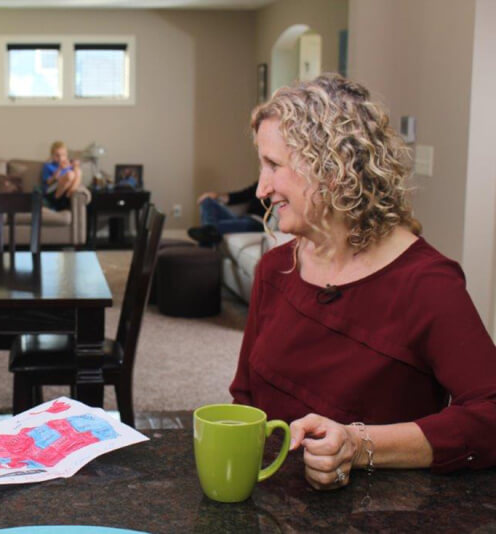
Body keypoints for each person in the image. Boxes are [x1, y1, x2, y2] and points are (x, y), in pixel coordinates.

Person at [229, 74, 496, 491]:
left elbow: (490, 414)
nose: (262, 188)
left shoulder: (426, 283)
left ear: (331, 168)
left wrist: (358, 444)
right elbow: (245, 399)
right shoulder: (276, 269)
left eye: (274, 165)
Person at [187, 183, 265, 246]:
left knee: (211, 228)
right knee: (207, 201)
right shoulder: (259, 184)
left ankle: (209, 230)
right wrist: (216, 195)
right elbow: (239, 196)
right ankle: (209, 229)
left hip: (257, 223)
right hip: (242, 219)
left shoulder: (273, 187)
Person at [41, 141, 82, 211]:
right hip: (52, 191)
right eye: (57, 155)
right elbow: (48, 182)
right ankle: (55, 202)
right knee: (70, 174)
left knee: (78, 170)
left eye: (63, 155)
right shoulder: (48, 166)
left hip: (65, 192)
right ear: (52, 155)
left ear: (66, 155)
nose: (60, 158)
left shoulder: (69, 166)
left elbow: (77, 175)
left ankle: (70, 193)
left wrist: (75, 166)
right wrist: (59, 169)